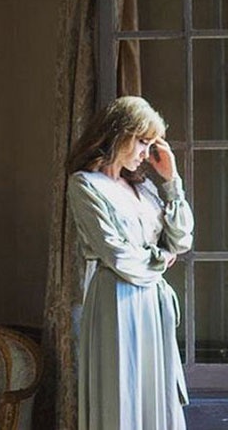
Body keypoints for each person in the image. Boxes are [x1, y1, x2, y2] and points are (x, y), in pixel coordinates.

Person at [66, 96, 194, 430]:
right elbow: (117, 255)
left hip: (152, 302)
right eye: (142, 141)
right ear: (119, 134)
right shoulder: (85, 185)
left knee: (155, 394)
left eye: (152, 144)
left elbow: (181, 240)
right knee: (121, 392)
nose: (146, 153)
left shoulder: (145, 187)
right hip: (116, 301)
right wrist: (160, 258)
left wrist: (172, 180)